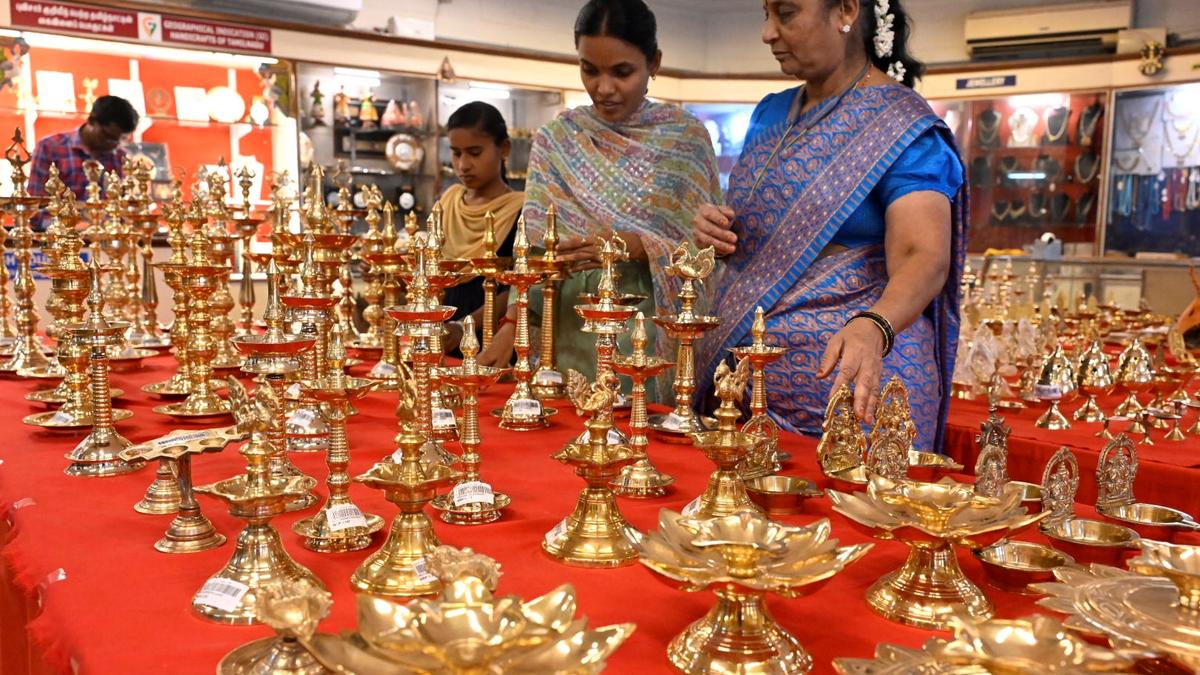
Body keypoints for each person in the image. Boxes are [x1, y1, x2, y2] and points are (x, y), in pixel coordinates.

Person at [693, 0, 967, 451]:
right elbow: (763, 233)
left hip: (851, 389)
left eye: (786, 13)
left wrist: (874, 326)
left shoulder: (899, 124)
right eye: (765, 14)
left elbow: (924, 256)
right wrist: (716, 230)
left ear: (845, 11)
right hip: (741, 391)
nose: (767, 33)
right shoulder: (770, 113)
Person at [479, 0, 721, 399]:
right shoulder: (556, 140)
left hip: (645, 334)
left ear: (653, 63)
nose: (603, 88)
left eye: (622, 72)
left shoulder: (685, 140)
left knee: (639, 446)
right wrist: (512, 323)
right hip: (567, 330)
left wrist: (640, 245)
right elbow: (535, 253)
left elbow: (707, 255)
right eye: (589, 70)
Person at [436, 101, 523, 353]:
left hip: (493, 340)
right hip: (442, 336)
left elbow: (518, 289)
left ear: (503, 148)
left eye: (474, 153)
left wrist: (464, 326)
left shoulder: (521, 210)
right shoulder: (448, 202)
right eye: (456, 153)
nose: (463, 165)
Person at [28, 95, 139, 205]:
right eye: (108, 137)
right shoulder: (50, 147)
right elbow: (36, 205)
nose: (115, 145)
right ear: (91, 121)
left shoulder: (122, 158)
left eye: (122, 139)